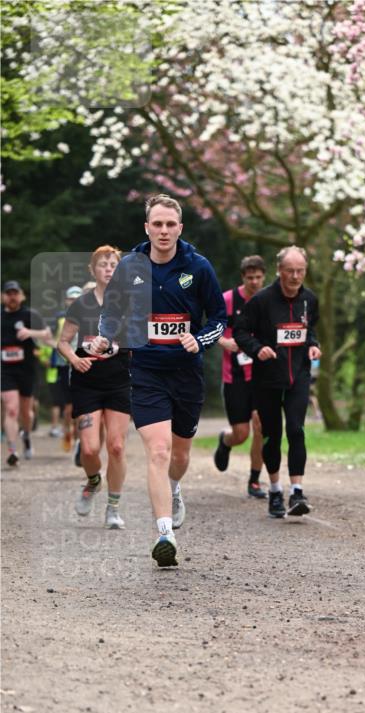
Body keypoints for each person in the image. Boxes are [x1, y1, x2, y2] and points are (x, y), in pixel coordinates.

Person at [92, 194, 226, 566]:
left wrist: (197, 339)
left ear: (180, 228)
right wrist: (106, 336)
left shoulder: (198, 267)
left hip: (186, 373)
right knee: (159, 451)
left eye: (170, 224)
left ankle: (176, 487)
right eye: (157, 224)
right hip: (146, 370)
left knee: (179, 455)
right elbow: (111, 313)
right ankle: (164, 534)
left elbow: (219, 318)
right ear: (147, 227)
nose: (164, 231)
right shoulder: (130, 267)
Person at [234, 245, 321, 518]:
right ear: (279, 271)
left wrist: (314, 345)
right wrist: (257, 348)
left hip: (299, 376)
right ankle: (274, 491)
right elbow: (240, 332)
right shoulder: (261, 301)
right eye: (290, 271)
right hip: (268, 379)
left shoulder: (310, 299)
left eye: (300, 271)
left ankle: (297, 492)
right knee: (272, 436)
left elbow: (310, 330)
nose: (295, 276)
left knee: (296, 430)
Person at [57, 247, 130, 529]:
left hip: (119, 382)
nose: (109, 268)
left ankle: (113, 507)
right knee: (89, 450)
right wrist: (75, 359)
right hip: (87, 384)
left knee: (116, 446)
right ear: (93, 270)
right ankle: (92, 481)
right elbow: (63, 342)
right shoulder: (81, 304)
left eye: (113, 264)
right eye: (103, 264)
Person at [213, 255, 267, 498]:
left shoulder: (268, 301)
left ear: (264, 277)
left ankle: (254, 481)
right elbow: (212, 328)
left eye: (258, 277)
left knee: (261, 425)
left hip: (261, 374)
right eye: (250, 277)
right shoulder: (227, 299)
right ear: (243, 277)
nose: (254, 282)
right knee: (241, 433)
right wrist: (225, 341)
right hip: (234, 375)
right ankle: (225, 440)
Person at [1, 280, 51, 466]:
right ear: (3, 296)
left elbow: (47, 334)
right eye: (8, 293)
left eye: (15, 293)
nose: (12, 296)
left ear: (21, 295)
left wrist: (30, 333)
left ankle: (27, 436)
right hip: (5, 370)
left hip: (27, 370)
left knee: (26, 413)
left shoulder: (29, 314)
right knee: (11, 408)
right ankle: (13, 451)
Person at [52, 285, 82, 451]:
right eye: (71, 298)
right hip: (64, 365)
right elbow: (54, 340)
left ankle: (78, 440)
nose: (74, 301)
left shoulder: (88, 315)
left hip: (82, 365)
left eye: (77, 298)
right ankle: (67, 430)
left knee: (77, 406)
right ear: (66, 301)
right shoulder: (60, 318)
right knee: (68, 408)